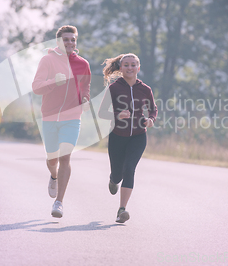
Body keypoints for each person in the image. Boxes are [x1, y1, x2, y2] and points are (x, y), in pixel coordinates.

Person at [32, 25, 91, 218]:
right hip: (49, 117)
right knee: (52, 159)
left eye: (73, 40)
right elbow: (36, 87)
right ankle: (54, 175)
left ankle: (59, 202)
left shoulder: (83, 64)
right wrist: (52, 83)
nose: (70, 43)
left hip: (72, 118)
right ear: (58, 42)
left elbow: (85, 88)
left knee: (65, 157)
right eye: (66, 39)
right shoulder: (47, 60)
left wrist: (85, 99)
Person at [98, 53, 157, 223]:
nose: (130, 68)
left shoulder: (145, 89)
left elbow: (153, 109)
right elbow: (102, 112)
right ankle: (113, 179)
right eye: (126, 65)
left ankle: (121, 210)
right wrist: (117, 114)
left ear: (138, 68)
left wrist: (151, 119)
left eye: (133, 65)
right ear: (121, 68)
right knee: (118, 174)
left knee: (129, 168)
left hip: (138, 136)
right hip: (117, 136)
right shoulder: (114, 88)